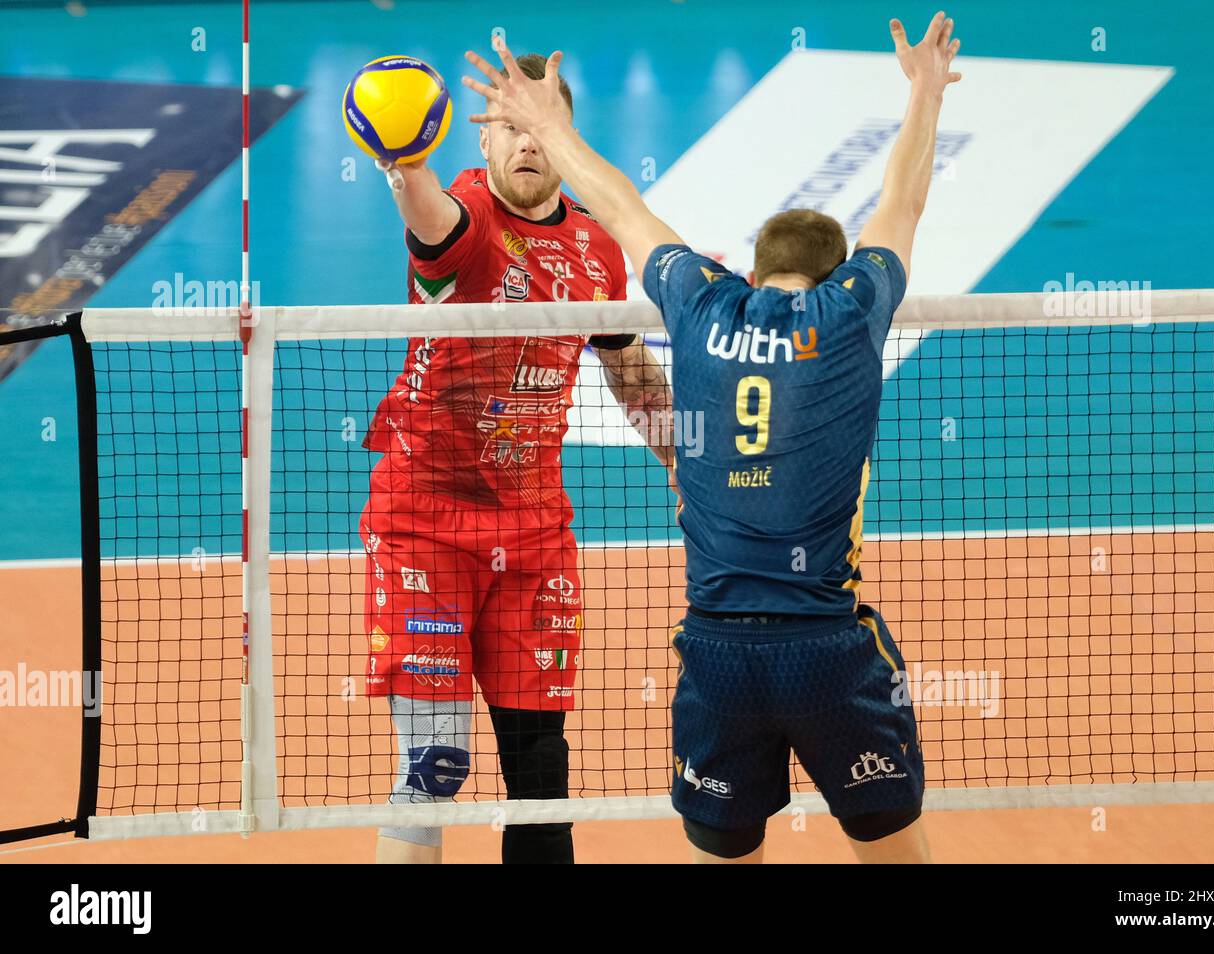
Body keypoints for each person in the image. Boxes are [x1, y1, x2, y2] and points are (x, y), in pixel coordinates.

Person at [462, 10, 961, 862]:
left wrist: (548, 123)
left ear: (750, 271)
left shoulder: (698, 301)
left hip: (719, 655)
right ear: (839, 277)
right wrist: (922, 93)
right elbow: (903, 201)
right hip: (829, 654)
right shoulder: (852, 315)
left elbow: (618, 203)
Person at [359, 52, 674, 865]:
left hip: (533, 536)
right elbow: (430, 221)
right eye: (507, 127)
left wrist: (685, 461)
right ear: (484, 136)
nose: (524, 144)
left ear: (563, 138)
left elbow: (627, 363)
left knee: (542, 776)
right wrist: (405, 168)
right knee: (435, 766)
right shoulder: (464, 216)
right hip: (423, 520)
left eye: (540, 127)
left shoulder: (597, 252)